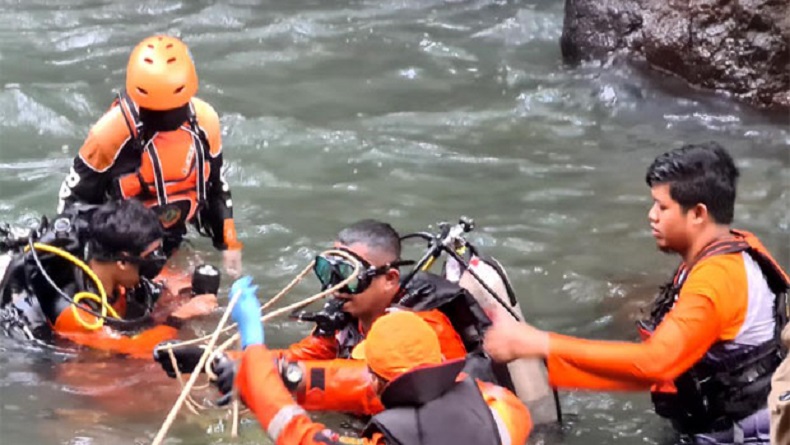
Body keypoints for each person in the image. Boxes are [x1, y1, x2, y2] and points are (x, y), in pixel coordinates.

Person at [483, 142, 789, 444]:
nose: (651, 215)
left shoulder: (716, 279)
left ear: (697, 214)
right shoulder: (740, 246)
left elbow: (655, 363)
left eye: (662, 206)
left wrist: (537, 343)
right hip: (733, 415)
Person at [156, 219, 491, 415]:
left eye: (349, 275)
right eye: (328, 271)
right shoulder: (347, 317)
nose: (336, 287)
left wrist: (276, 375)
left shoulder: (425, 328)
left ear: (389, 280)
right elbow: (301, 357)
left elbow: (374, 384)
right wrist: (214, 360)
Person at [219, 276, 532, 445]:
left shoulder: (388, 439)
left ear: (376, 380)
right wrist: (284, 375)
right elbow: (368, 383)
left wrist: (254, 348)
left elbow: (295, 432)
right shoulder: (504, 406)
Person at [56, 34, 242, 276]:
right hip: (121, 253)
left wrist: (229, 244)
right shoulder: (109, 134)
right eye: (156, 112)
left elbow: (216, 187)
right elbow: (71, 205)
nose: (166, 120)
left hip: (170, 238)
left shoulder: (206, 122)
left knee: (203, 295)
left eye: (173, 110)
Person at [0, 199, 218, 358]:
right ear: (122, 262)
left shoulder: (115, 272)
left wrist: (175, 292)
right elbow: (130, 348)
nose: (158, 262)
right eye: (151, 256)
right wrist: (177, 318)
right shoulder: (77, 312)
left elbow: (164, 284)